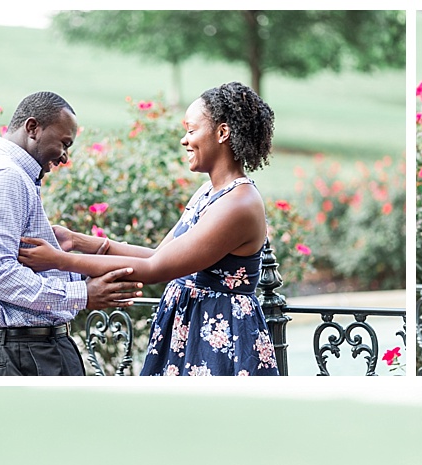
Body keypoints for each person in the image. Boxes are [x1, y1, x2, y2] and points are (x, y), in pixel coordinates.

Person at [17, 83, 279, 376]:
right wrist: (79, 241)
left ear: (222, 133)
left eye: (191, 130)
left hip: (221, 337)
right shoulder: (209, 192)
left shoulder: (239, 204)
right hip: (192, 328)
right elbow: (160, 254)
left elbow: (156, 268)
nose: (184, 140)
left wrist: (59, 260)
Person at [0, 90, 142, 376]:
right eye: (64, 143)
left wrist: (88, 271)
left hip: (33, 348)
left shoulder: (13, 175)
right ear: (33, 128)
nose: (65, 157)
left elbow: (20, 268)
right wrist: (81, 294)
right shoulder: (4, 176)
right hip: (22, 351)